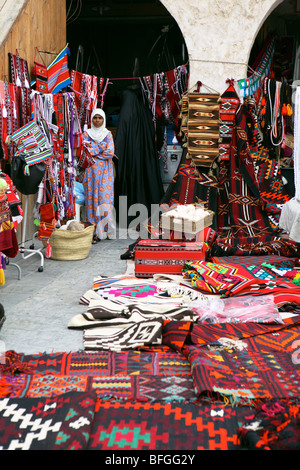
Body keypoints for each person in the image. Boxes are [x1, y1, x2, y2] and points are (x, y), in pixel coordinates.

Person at [82, 108, 115, 242]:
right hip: (90, 175)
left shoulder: (108, 134)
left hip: (105, 174)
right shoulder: (86, 134)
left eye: (100, 118)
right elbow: (84, 152)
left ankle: (106, 229)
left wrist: (94, 150)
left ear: (103, 119)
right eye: (95, 118)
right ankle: (94, 232)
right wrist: (101, 148)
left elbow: (110, 152)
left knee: (104, 202)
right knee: (91, 202)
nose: (97, 120)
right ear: (91, 119)